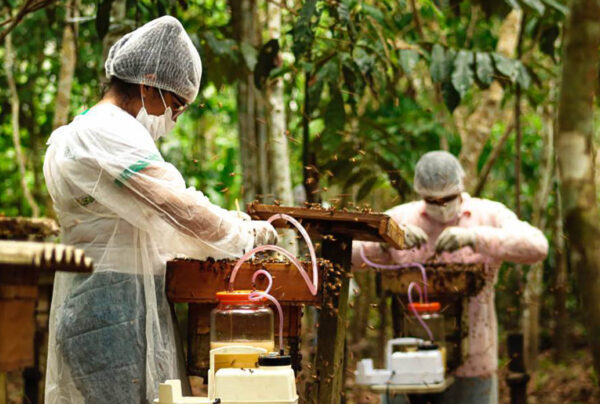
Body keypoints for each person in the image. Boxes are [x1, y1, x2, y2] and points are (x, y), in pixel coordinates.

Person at [43, 16, 277, 404]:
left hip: (98, 302)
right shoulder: (109, 131)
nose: (175, 117)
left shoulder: (76, 133)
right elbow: (177, 206)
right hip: (111, 309)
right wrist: (244, 234)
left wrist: (224, 222)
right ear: (149, 84)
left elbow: (149, 211)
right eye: (177, 105)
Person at [353, 151, 548, 404]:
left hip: (473, 362)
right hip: (407, 363)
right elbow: (348, 253)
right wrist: (388, 241)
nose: (442, 206)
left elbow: (537, 246)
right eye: (433, 200)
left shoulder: (488, 214)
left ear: (460, 188)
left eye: (448, 198)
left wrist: (476, 238)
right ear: (420, 194)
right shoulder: (401, 218)